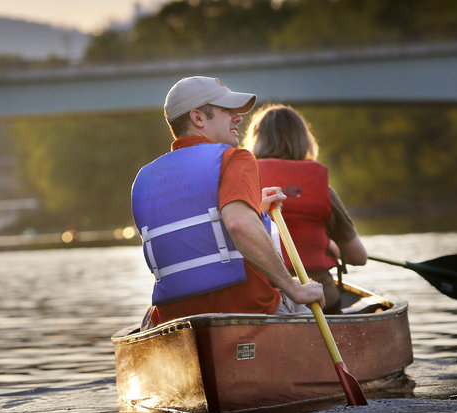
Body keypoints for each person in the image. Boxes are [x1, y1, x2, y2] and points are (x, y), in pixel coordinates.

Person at [131, 76, 325, 326]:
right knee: (313, 297)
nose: (238, 118)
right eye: (227, 111)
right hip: (248, 308)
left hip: (175, 317)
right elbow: (238, 225)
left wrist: (255, 208)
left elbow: (197, 231)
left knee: (148, 316)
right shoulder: (235, 158)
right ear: (198, 118)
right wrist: (293, 288)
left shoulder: (144, 178)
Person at [243, 104, 367, 312]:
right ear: (304, 140)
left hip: (267, 299)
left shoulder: (242, 185)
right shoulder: (324, 190)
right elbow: (358, 257)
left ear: (255, 139)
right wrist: (330, 246)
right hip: (319, 296)